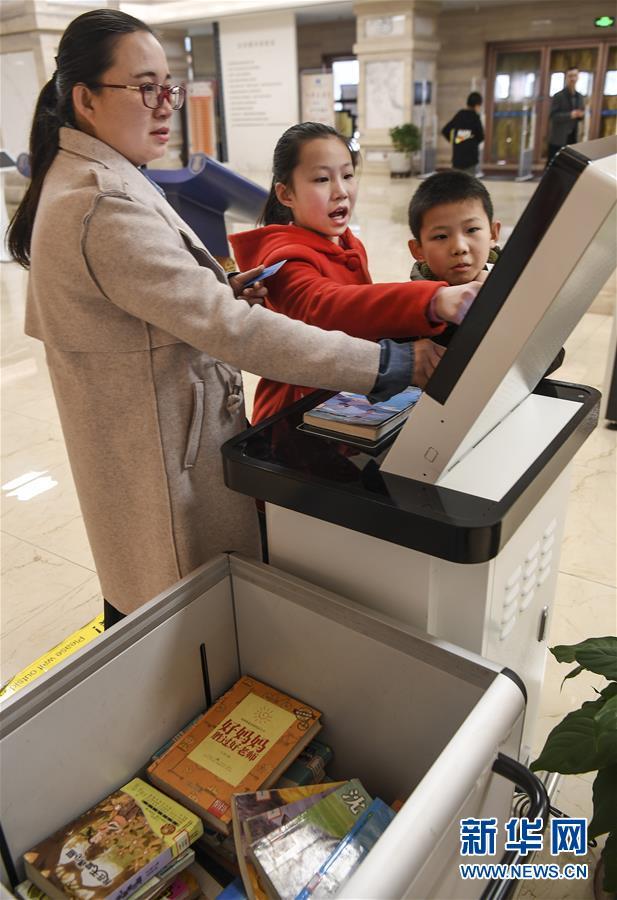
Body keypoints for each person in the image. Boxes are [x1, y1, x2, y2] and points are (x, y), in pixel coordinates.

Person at [7, 10, 470, 627]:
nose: (165, 105)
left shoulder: (106, 179)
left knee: (161, 604)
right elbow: (239, 329)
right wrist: (392, 361)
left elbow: (148, 307)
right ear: (86, 100)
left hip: (161, 437)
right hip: (160, 456)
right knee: (175, 617)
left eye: (168, 87)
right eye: (144, 88)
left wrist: (217, 289)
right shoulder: (102, 200)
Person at [229, 122, 481, 424]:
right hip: (299, 417)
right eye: (322, 179)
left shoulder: (348, 243)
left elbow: (364, 313)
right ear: (286, 194)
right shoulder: (284, 259)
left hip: (348, 400)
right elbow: (326, 306)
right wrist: (434, 299)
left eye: (347, 175)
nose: (340, 191)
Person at [407, 170, 565, 372]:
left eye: (472, 230)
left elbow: (550, 357)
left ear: (493, 234)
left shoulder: (516, 283)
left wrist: (502, 301)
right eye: (441, 236)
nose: (459, 247)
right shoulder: (412, 307)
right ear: (418, 249)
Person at [547, 67, 584, 165]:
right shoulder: (558, 96)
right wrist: (570, 115)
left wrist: (580, 115)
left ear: (578, 77)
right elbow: (553, 116)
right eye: (570, 76)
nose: (573, 78)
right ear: (566, 78)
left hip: (573, 137)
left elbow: (580, 116)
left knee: (568, 166)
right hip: (558, 138)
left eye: (575, 76)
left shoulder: (580, 97)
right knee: (553, 165)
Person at [441, 91, 484, 174]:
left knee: (457, 181)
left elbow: (445, 130)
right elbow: (481, 137)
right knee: (469, 181)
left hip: (458, 158)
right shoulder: (475, 117)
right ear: (477, 105)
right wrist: (471, 141)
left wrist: (454, 141)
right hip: (471, 158)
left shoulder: (460, 115)